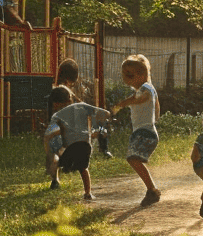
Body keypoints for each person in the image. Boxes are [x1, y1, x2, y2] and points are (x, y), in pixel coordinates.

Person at [108, 54, 161, 206]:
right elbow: (156, 106)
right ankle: (152, 189)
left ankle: (152, 190)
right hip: (143, 132)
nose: (126, 78)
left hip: (145, 132)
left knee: (133, 159)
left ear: (143, 75)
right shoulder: (145, 88)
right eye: (125, 75)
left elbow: (143, 98)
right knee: (134, 159)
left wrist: (123, 104)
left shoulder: (146, 88)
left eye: (130, 75)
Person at [46, 85, 110, 201]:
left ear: (55, 104)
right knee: (83, 168)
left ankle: (55, 178)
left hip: (70, 147)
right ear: (70, 98)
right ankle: (88, 193)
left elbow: (52, 133)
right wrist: (98, 128)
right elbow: (105, 113)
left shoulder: (57, 115)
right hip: (85, 145)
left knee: (56, 157)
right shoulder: (82, 106)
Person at [55, 58, 109, 157]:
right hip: (73, 131)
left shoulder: (57, 88)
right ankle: (104, 151)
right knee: (102, 128)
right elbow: (80, 107)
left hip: (61, 129)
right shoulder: (66, 92)